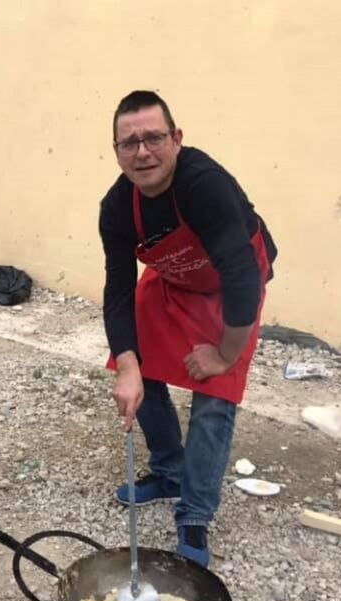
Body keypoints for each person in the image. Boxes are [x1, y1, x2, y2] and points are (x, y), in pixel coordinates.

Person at [99, 91, 278, 568]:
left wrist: (224, 354)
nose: (142, 152)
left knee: (214, 394)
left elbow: (242, 276)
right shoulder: (117, 207)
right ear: (116, 152)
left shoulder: (205, 186)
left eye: (154, 138)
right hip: (175, 278)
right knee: (134, 363)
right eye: (129, 143)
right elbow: (119, 291)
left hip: (230, 285)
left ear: (176, 139)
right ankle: (169, 472)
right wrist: (128, 368)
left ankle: (195, 510)